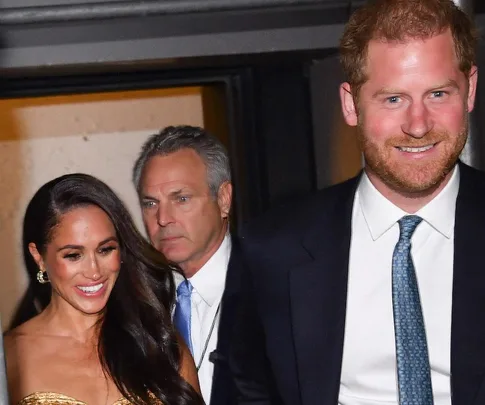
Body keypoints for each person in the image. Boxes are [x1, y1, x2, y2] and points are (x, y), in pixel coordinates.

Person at [230, 0, 485, 404]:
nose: (418, 125)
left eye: (438, 93)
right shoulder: (272, 251)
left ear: (469, 90)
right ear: (351, 104)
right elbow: (247, 388)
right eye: (393, 99)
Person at [5, 173, 203, 405]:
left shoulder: (158, 344)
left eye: (105, 249)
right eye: (73, 255)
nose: (94, 271)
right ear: (38, 257)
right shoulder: (10, 356)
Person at [133, 126, 241, 405]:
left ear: (224, 198)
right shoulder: (135, 299)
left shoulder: (270, 284)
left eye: (181, 199)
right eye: (150, 203)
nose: (163, 218)